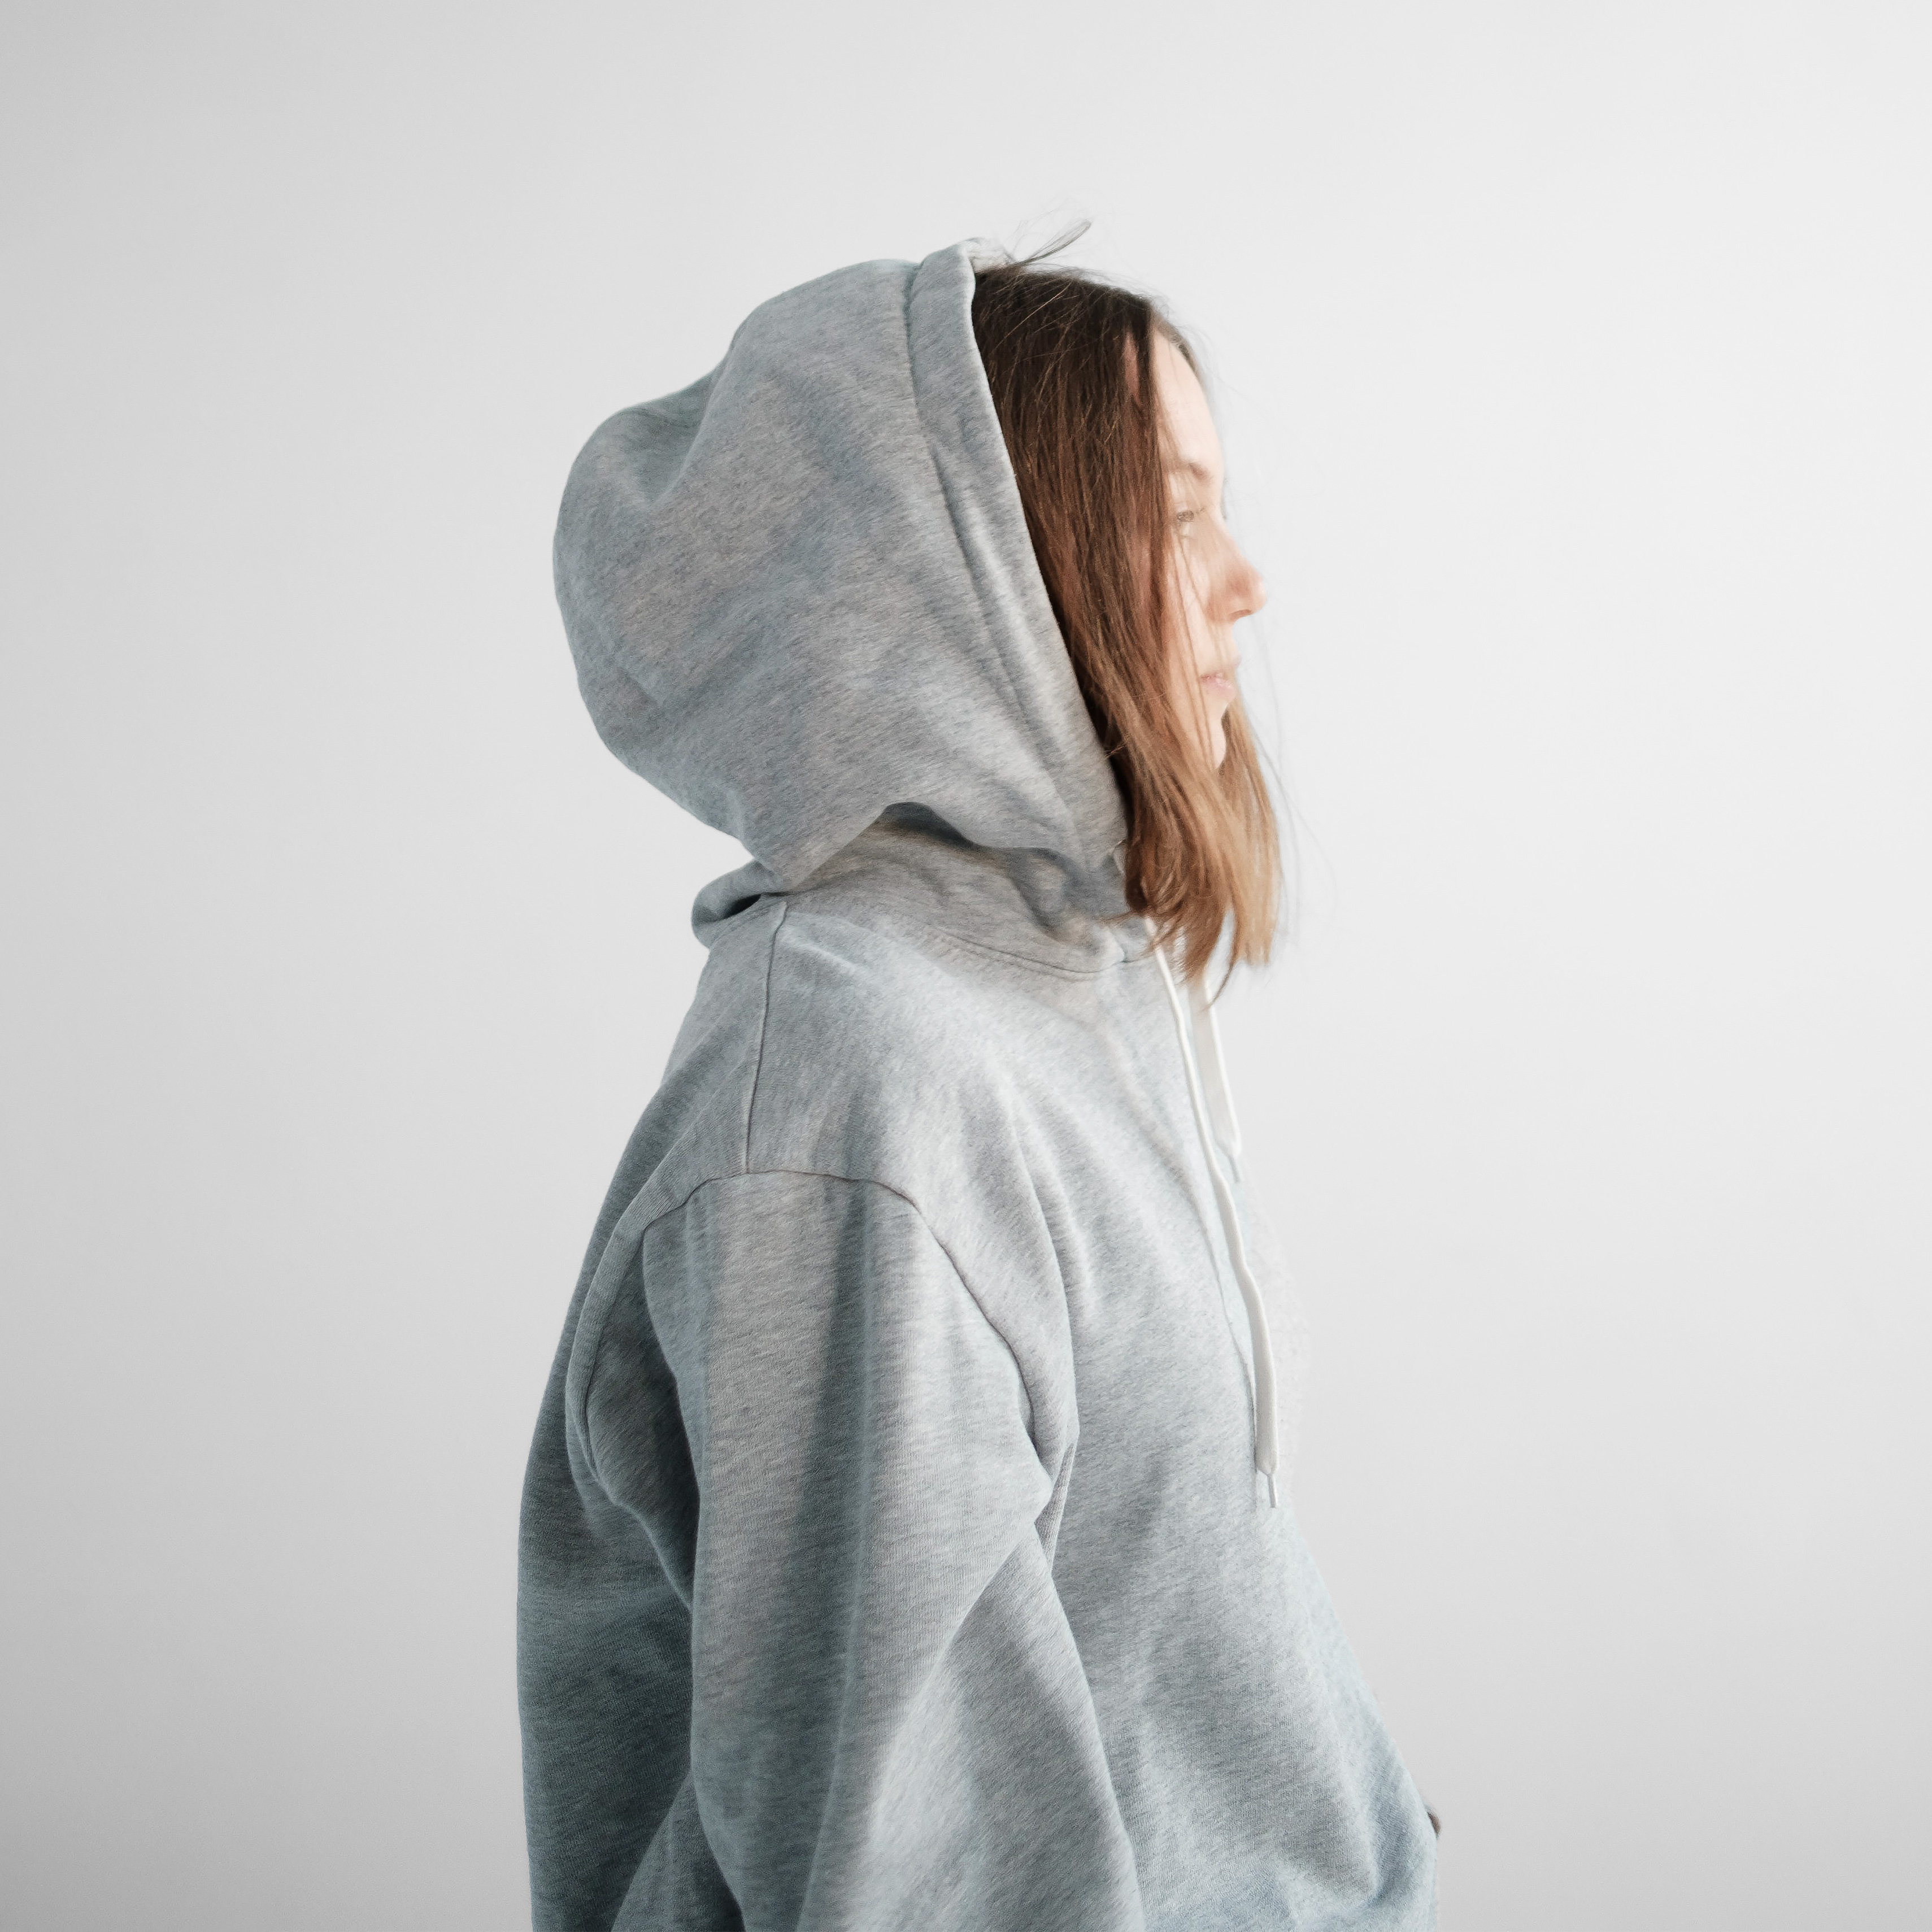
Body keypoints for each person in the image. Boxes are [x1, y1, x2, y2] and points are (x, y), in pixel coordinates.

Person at [518, 240, 1438, 1930]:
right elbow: (916, 1882)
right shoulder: (855, 1100)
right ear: (977, 579)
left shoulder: (1052, 987)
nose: (1244, 581)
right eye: (1173, 515)